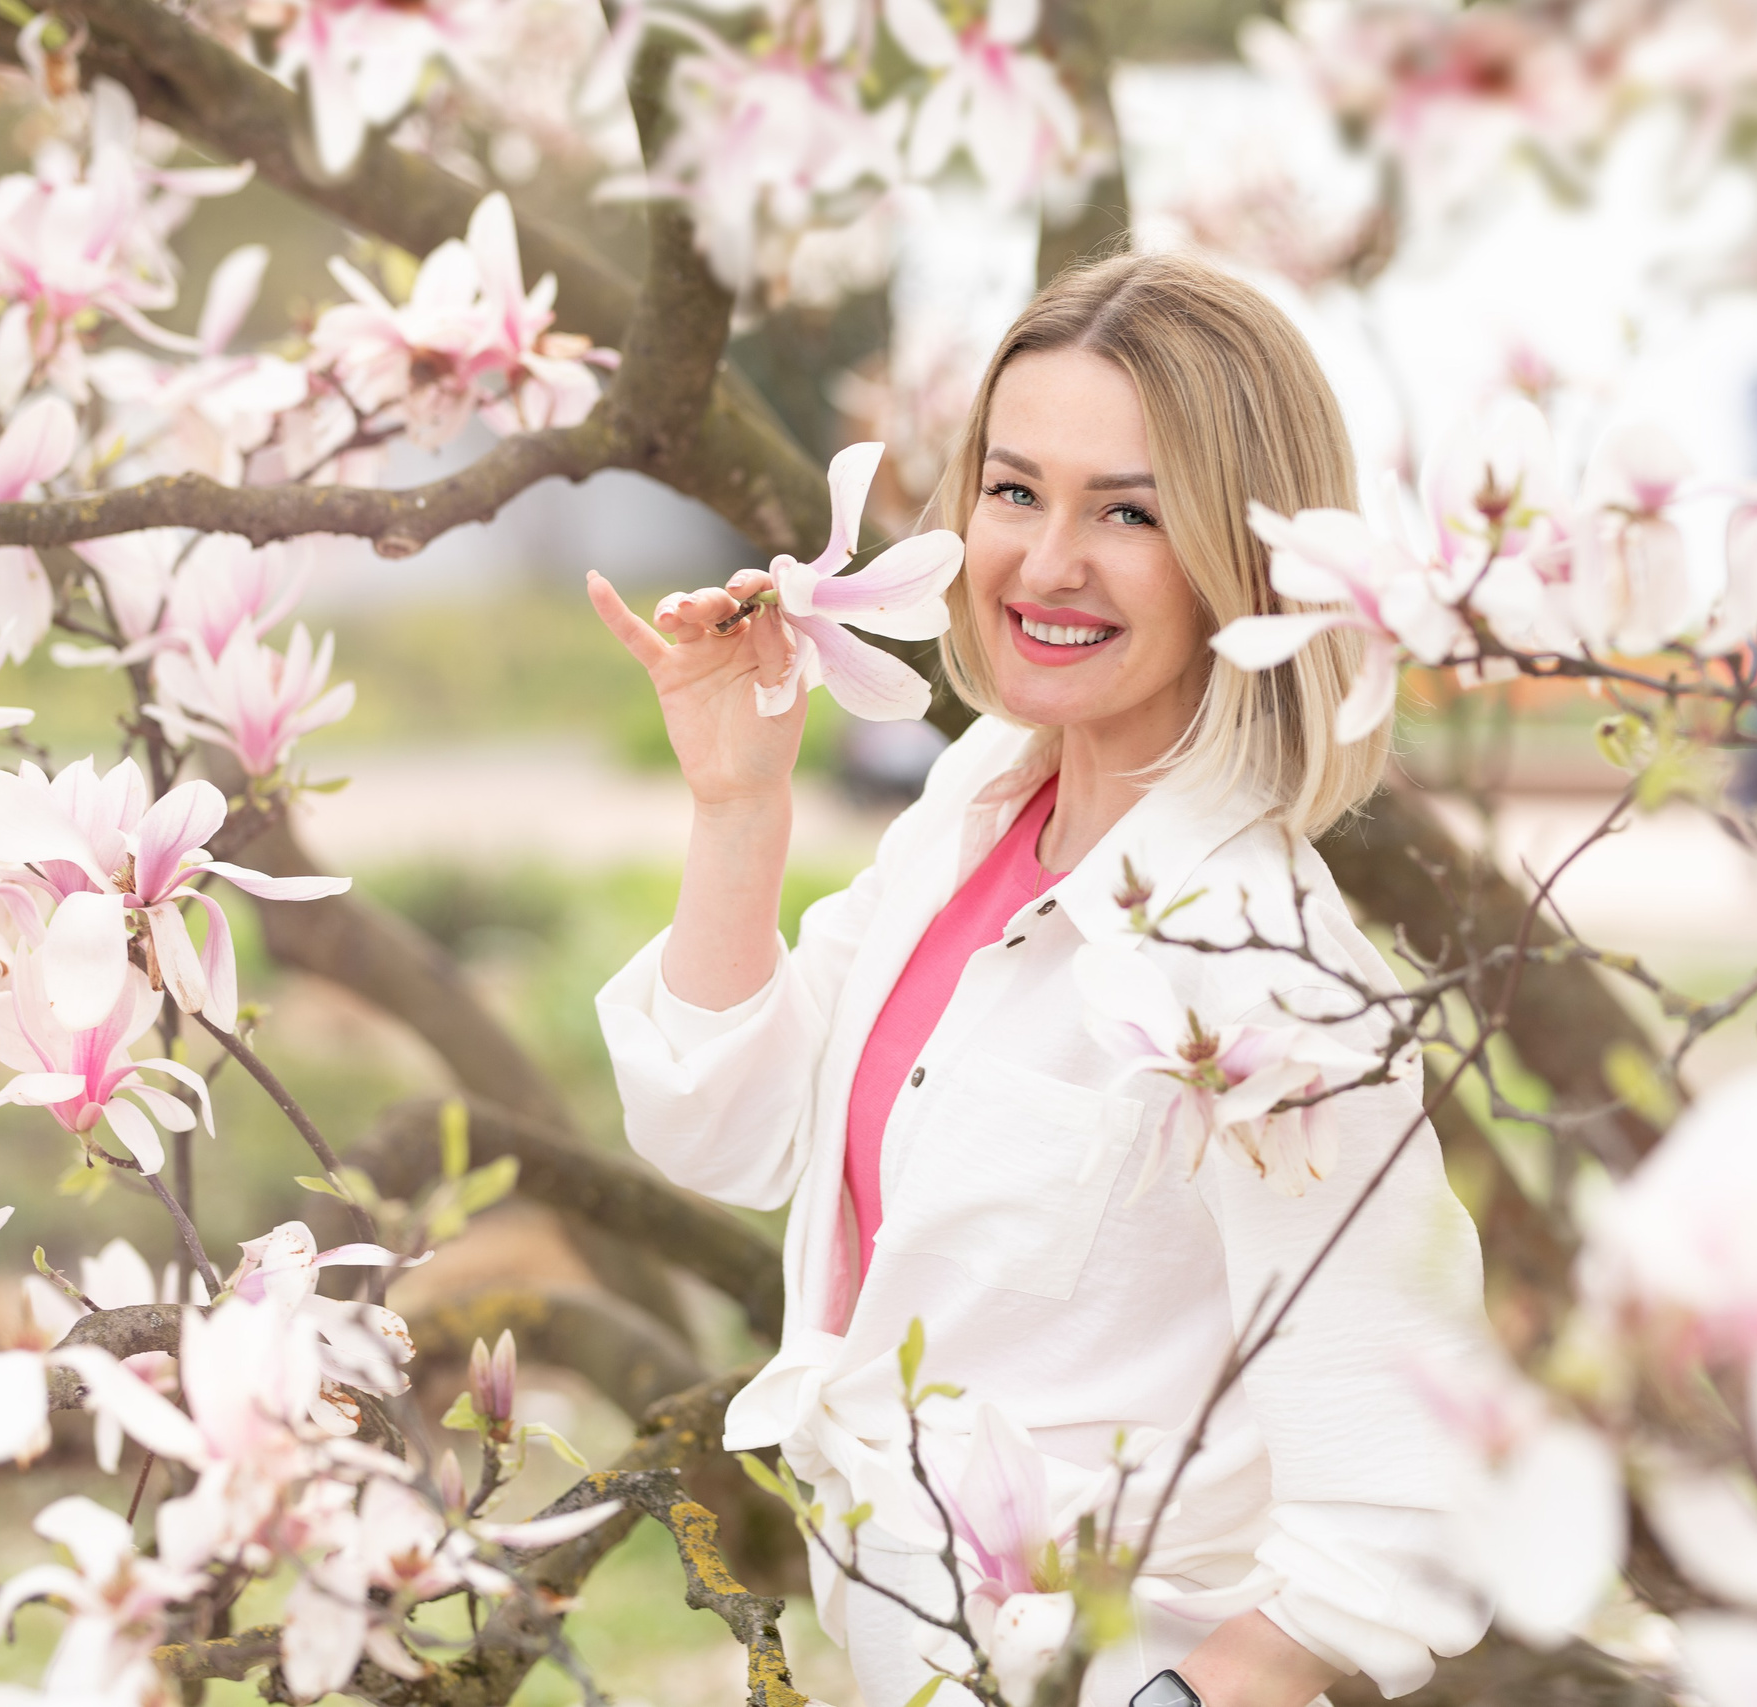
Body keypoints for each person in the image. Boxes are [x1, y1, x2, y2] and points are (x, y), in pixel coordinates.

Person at [587, 253, 1491, 1706]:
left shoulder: (1260, 969)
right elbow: (729, 1129)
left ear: (1247, 563)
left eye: (1128, 512)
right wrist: (737, 809)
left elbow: (1411, 1494)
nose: (1047, 561)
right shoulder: (975, 812)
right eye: (1016, 493)